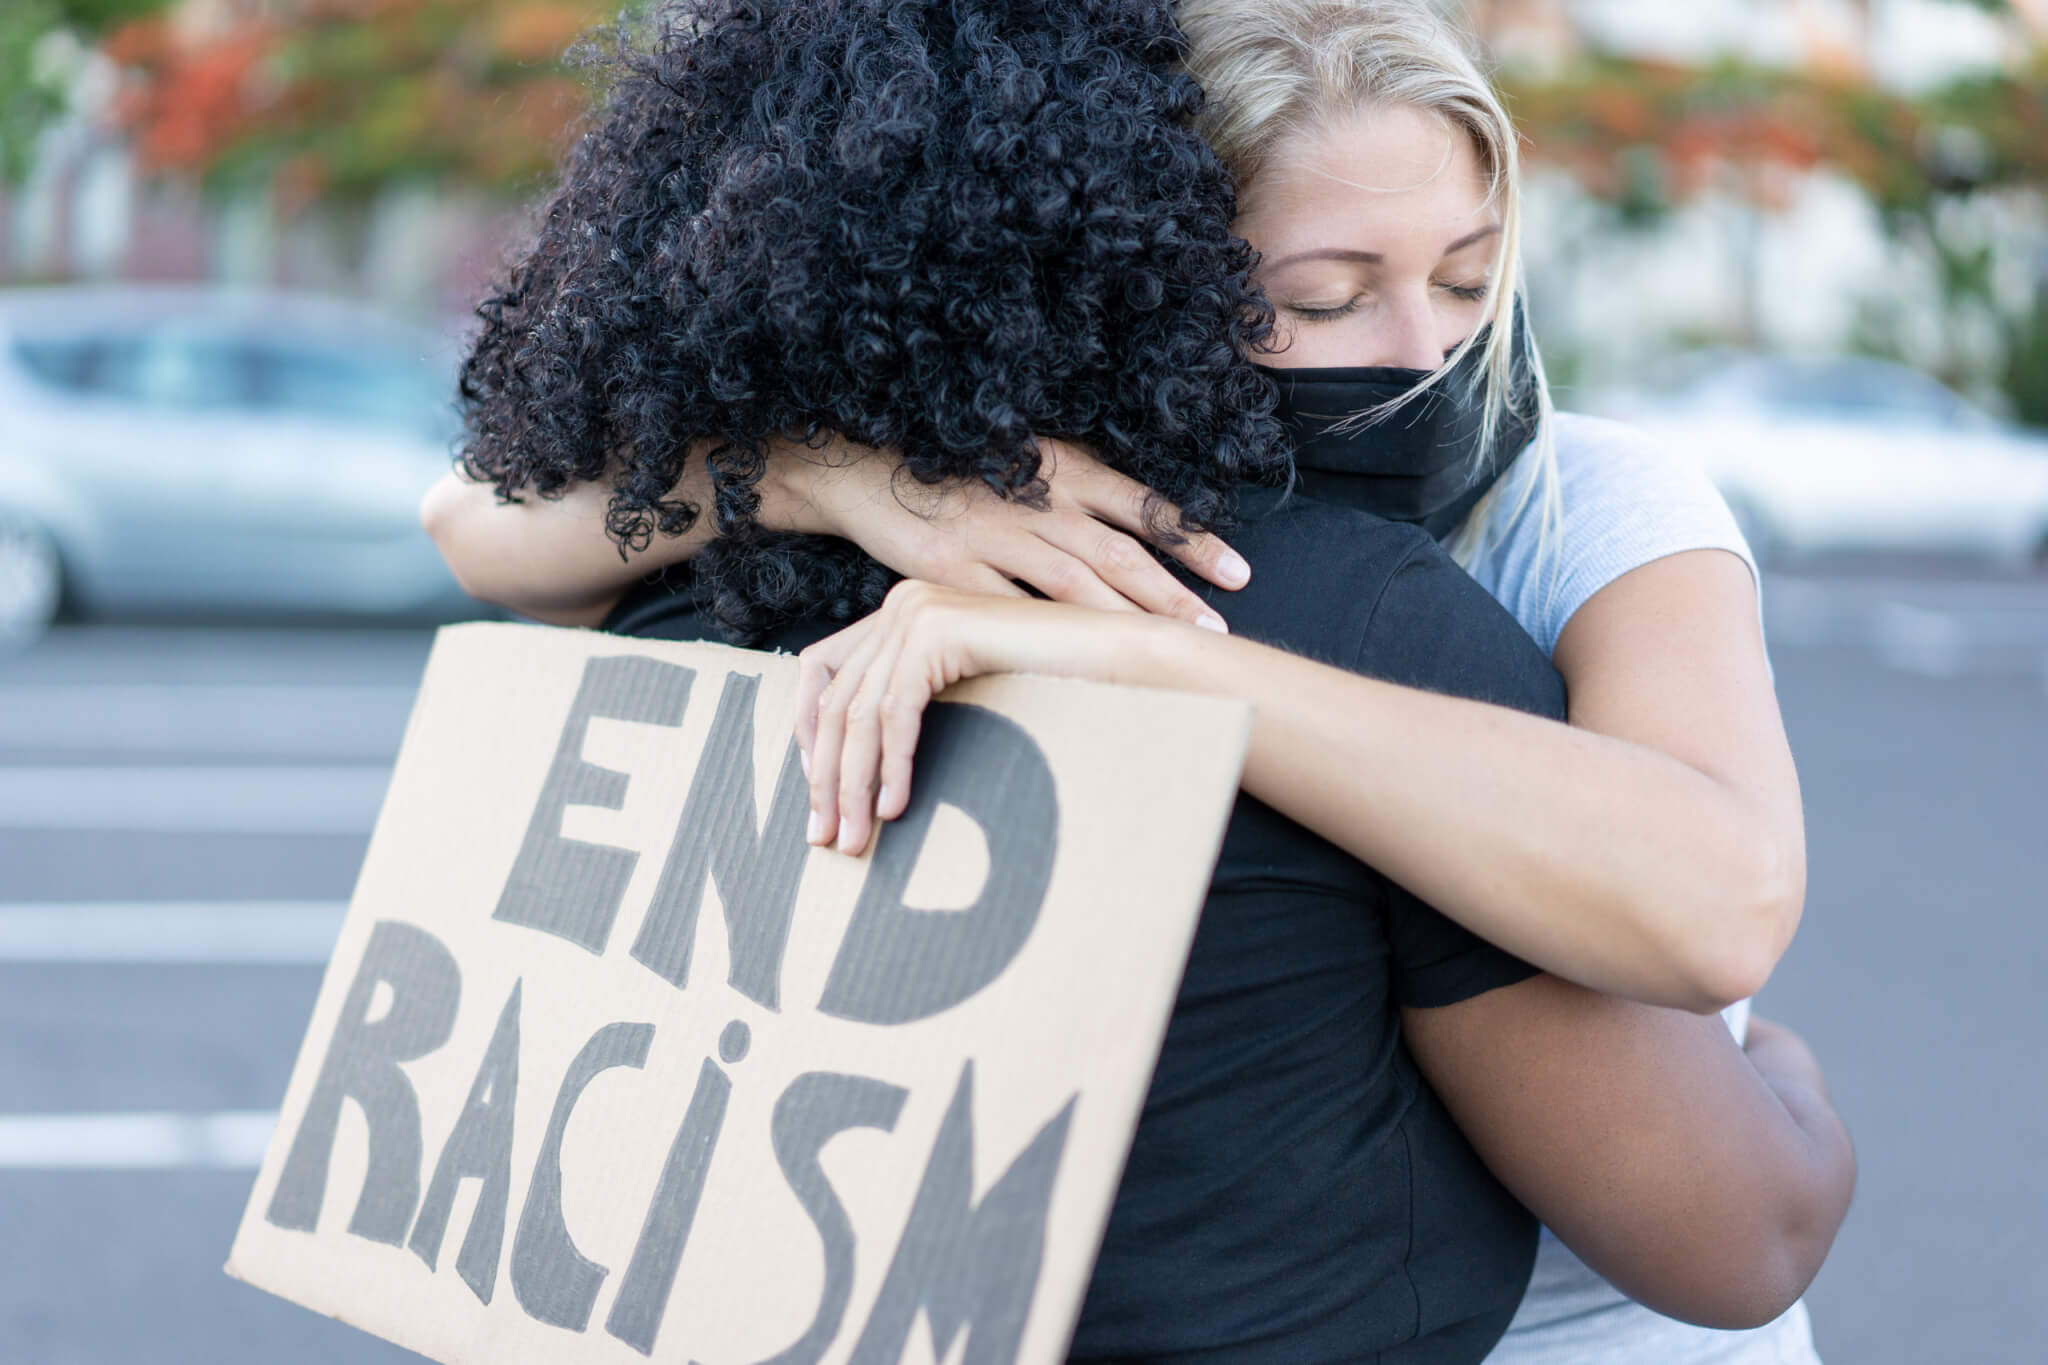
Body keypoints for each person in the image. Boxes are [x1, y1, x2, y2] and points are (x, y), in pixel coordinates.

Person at [426, 0, 1854, 1360]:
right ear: (1136, 274)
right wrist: (820, 475)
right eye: (1325, 297)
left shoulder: (1582, 508)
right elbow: (471, 518)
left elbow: (1718, 898)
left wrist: (1155, 661)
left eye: (1472, 278)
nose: (1428, 355)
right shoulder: (1094, 542)